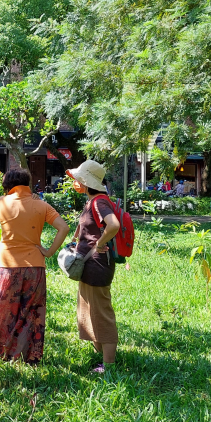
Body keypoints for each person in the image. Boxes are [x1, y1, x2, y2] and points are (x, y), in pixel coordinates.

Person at [0, 169, 70, 365]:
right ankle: (28, 357)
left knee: (0, 309)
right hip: (35, 264)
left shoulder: (1, 202)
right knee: (32, 312)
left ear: (8, 185)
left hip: (6, 264)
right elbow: (64, 227)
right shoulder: (42, 205)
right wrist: (49, 251)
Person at [68, 160, 121, 373]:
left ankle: (109, 366)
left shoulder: (99, 202)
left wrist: (99, 244)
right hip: (89, 266)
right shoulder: (93, 201)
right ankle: (101, 356)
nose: (75, 182)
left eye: (79, 178)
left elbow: (114, 225)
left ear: (86, 181)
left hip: (97, 265)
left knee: (101, 314)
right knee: (89, 311)